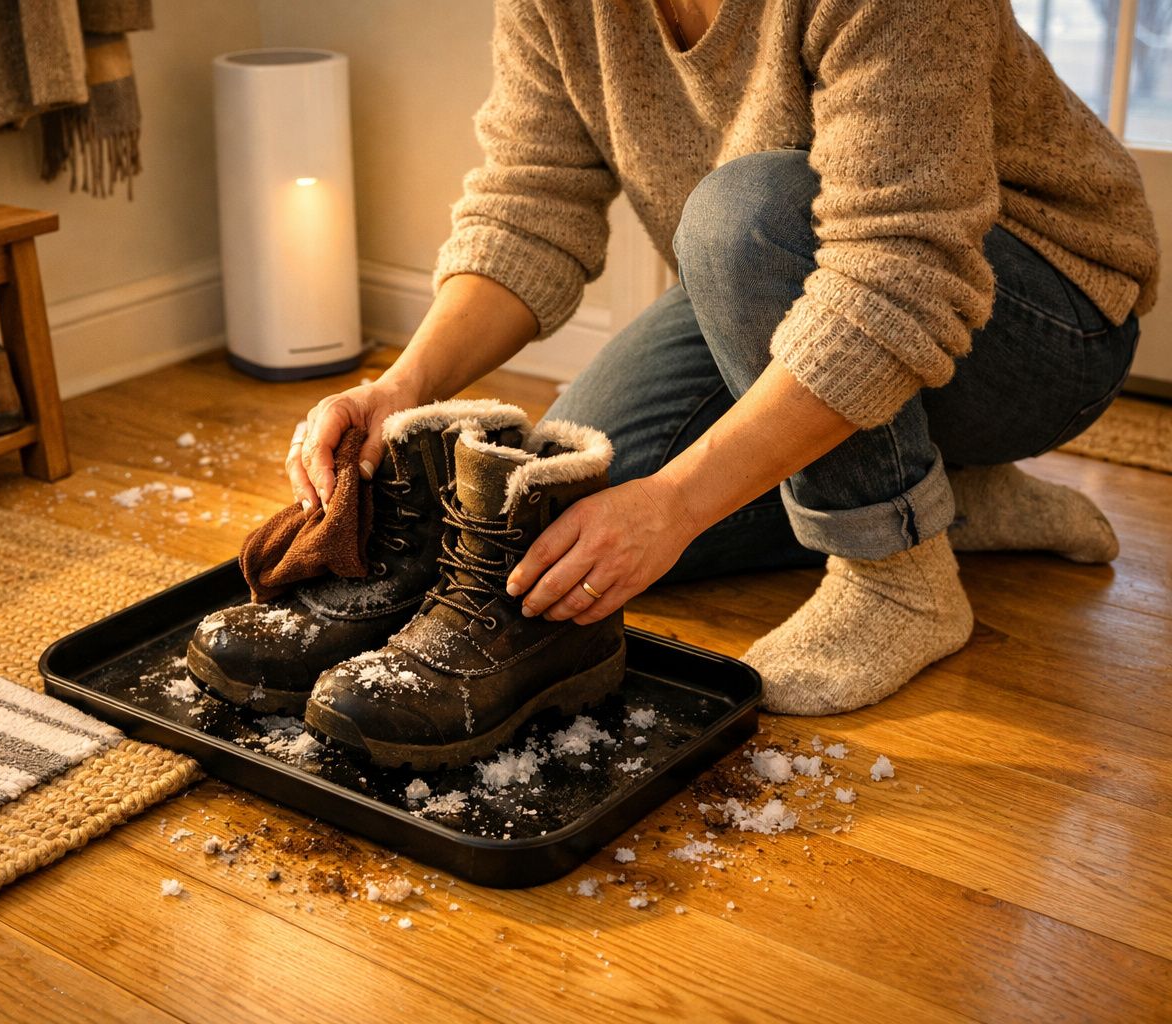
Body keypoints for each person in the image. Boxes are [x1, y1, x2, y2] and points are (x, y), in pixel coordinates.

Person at [288, 0, 1157, 715]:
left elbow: (899, 272)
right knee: (573, 520)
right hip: (783, 280)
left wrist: (677, 503)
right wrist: (402, 386)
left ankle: (899, 579)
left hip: (1043, 314)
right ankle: (942, 501)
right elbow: (530, 206)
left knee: (742, 220)